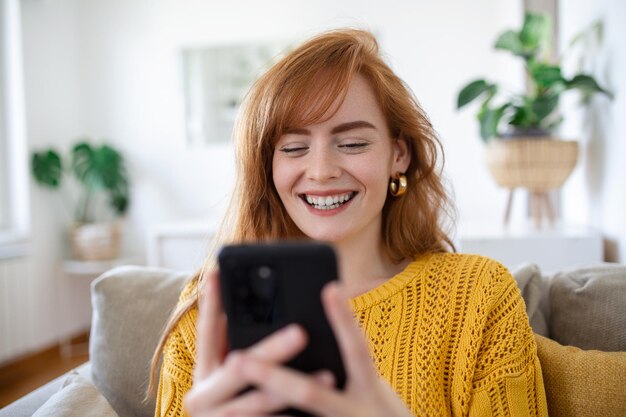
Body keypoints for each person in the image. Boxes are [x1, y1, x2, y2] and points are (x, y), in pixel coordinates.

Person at [149, 28, 548, 416]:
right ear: (267, 166)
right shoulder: (207, 310)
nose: (321, 171)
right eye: (293, 147)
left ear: (399, 154)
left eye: (353, 143)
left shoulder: (479, 296)